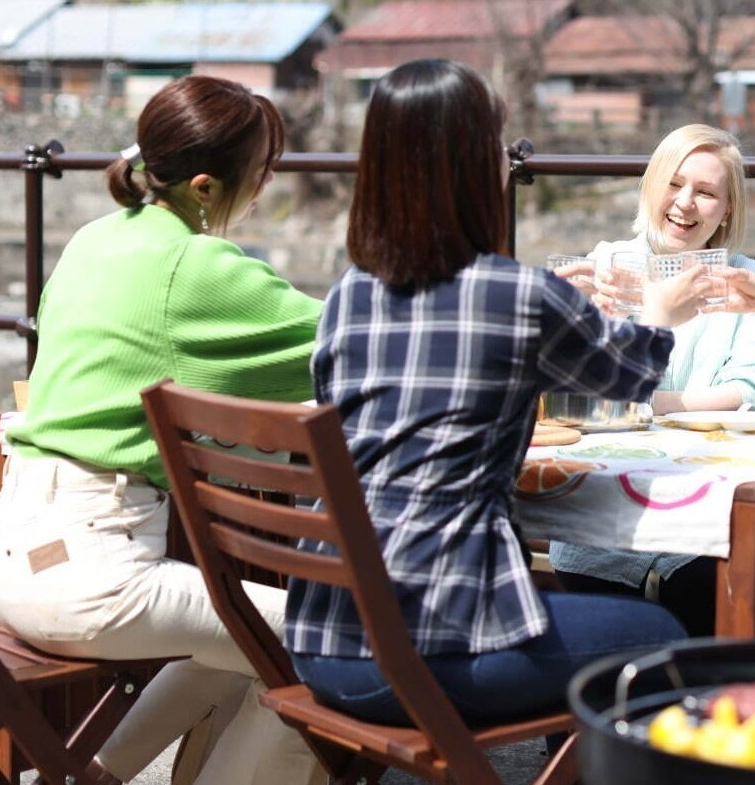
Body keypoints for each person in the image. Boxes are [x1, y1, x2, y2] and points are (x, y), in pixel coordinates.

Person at [285, 58, 690, 727]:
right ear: (473, 163)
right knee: (668, 638)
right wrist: (657, 309)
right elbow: (632, 374)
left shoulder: (348, 294)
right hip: (429, 647)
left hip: (320, 636)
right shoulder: (517, 294)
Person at [0, 75, 325, 784]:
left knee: (238, 644)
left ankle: (94, 775)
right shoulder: (192, 264)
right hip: (97, 572)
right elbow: (352, 339)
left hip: (17, 550)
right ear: (205, 186)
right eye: (262, 170)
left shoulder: (93, 240)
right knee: (332, 653)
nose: (265, 185)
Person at [547, 124, 755, 636]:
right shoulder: (604, 267)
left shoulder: (743, 278)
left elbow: (752, 390)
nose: (686, 204)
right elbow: (579, 388)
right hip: (604, 518)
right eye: (674, 184)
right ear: (651, 186)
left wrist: (650, 404)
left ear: (729, 209)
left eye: (707, 192)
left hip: (709, 510)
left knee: (705, 581)